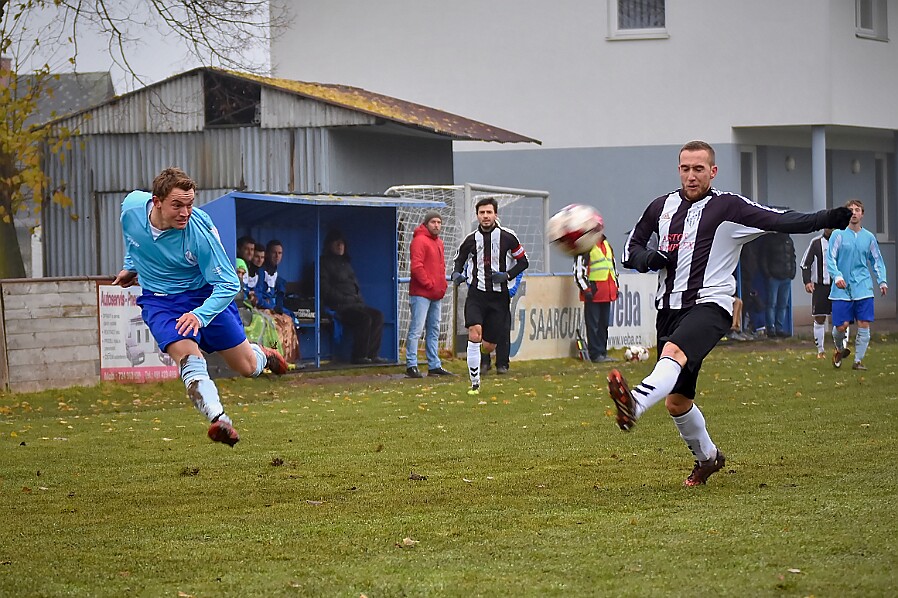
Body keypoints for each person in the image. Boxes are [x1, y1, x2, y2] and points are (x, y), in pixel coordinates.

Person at [606, 140, 851, 487]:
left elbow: (780, 219)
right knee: (677, 403)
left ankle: (634, 402)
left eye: (699, 169)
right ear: (679, 169)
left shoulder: (728, 207)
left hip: (711, 306)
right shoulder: (661, 207)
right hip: (668, 310)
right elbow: (631, 249)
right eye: (685, 168)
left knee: (674, 353)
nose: (691, 176)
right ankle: (708, 459)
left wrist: (826, 218)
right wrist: (649, 258)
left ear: (713, 171)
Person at [112, 167, 288, 447]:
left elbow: (229, 284)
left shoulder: (199, 233)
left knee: (247, 367)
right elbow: (133, 238)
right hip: (161, 301)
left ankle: (263, 355)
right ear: (156, 201)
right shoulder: (131, 207)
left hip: (206, 297)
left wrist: (200, 314)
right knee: (189, 359)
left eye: (190, 204)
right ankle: (220, 419)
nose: (185, 212)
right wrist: (131, 266)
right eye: (177, 205)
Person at [451, 196, 529, 395]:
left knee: (488, 344)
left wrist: (507, 275)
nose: (485, 216)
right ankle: (474, 383)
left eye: (489, 212)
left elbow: (523, 262)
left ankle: (487, 356)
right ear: (477, 216)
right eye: (481, 213)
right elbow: (459, 261)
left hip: (499, 297)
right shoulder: (470, 240)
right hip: (476, 295)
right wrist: (457, 274)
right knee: (474, 332)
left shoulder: (508, 237)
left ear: (496, 214)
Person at [826, 199, 888, 371]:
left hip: (862, 285)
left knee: (864, 322)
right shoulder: (838, 235)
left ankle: (858, 361)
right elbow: (830, 259)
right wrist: (837, 276)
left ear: (862, 214)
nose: (854, 213)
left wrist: (881, 280)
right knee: (841, 326)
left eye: (857, 210)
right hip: (841, 287)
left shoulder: (868, 238)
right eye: (850, 210)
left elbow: (876, 260)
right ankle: (839, 349)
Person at [319, 229, 387, 364]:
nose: (340, 246)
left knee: (377, 315)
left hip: (355, 304)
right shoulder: (324, 264)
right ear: (329, 245)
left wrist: (358, 299)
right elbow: (325, 289)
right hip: (339, 308)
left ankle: (372, 355)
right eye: (336, 243)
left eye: (342, 243)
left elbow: (354, 286)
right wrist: (345, 299)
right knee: (364, 319)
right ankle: (359, 356)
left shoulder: (346, 264)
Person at [405, 211, 454, 378]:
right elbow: (417, 266)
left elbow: (440, 267)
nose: (437, 225)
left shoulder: (439, 242)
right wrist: (428, 283)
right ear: (426, 223)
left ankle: (434, 364)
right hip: (421, 293)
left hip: (435, 293)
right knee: (417, 329)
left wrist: (441, 285)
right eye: (433, 222)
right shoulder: (419, 241)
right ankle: (411, 364)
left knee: (434, 329)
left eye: (439, 222)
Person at [573, 225, 619, 362]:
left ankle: (602, 352)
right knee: (593, 325)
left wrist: (616, 286)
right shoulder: (584, 247)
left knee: (603, 324)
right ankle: (595, 353)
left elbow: (613, 266)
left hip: (608, 291)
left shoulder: (606, 245)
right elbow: (578, 271)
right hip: (593, 292)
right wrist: (585, 289)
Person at [255, 239, 299, 364]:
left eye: (280, 253)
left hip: (272, 308)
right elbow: (259, 295)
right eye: (274, 253)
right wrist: (270, 306)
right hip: (262, 308)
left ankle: (288, 360)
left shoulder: (276, 274)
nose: (277, 256)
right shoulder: (260, 272)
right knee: (277, 325)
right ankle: (273, 360)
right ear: (267, 254)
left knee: (288, 321)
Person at [800, 228, 837, 358]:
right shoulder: (816, 243)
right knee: (820, 317)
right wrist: (807, 281)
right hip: (821, 286)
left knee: (841, 318)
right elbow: (805, 263)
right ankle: (820, 351)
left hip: (839, 286)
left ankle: (840, 349)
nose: (829, 228)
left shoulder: (842, 241)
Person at [482, 271, 523, 375]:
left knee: (503, 328)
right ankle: (483, 362)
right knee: (480, 327)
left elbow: (520, 265)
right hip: (481, 292)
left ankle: (502, 363)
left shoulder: (511, 254)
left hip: (502, 293)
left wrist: (512, 288)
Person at [760, 231, 796, 337]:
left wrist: (792, 273)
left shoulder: (789, 240)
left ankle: (779, 328)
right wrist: (768, 274)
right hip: (773, 277)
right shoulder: (769, 240)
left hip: (786, 277)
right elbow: (763, 258)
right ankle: (771, 329)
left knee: (783, 304)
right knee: (772, 303)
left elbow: (792, 257)